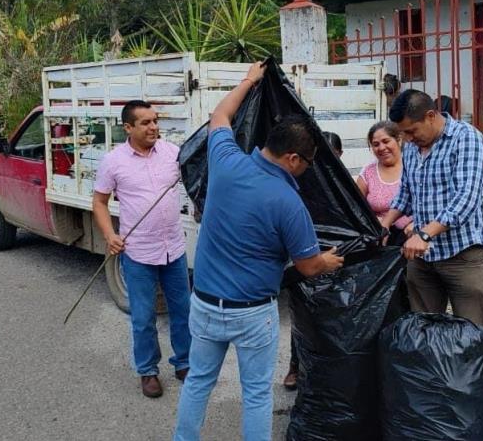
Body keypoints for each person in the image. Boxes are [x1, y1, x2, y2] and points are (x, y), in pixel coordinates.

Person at [174, 62, 344, 441]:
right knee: (254, 394)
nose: (307, 171)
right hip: (252, 314)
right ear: (293, 159)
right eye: (309, 163)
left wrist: (249, 80)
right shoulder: (289, 202)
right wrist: (328, 261)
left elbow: (220, 114)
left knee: (199, 382)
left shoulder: (226, 161)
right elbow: (307, 265)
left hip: (203, 303)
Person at [93, 100, 192, 398]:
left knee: (183, 311)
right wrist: (110, 235)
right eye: (146, 123)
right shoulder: (113, 161)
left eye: (155, 121)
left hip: (173, 249)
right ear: (128, 127)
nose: (154, 127)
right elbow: (98, 202)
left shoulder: (173, 153)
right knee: (143, 316)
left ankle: (185, 362)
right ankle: (148, 371)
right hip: (138, 253)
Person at [379, 89, 483, 333]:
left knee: (474, 334)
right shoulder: (411, 147)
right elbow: (406, 191)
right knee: (425, 333)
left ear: (431, 116)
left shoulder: (467, 138)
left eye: (411, 131)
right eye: (404, 134)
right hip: (422, 259)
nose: (408, 139)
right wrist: (386, 223)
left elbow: (466, 197)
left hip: (462, 255)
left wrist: (424, 234)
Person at [282, 129, 343, 391]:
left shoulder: (346, 187)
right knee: (302, 315)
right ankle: (295, 366)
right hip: (303, 261)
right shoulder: (297, 184)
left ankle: (327, 366)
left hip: (334, 258)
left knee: (333, 317)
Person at [356, 121, 413, 246]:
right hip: (379, 239)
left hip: (411, 238)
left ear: (398, 140)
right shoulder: (368, 172)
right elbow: (355, 206)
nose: (381, 148)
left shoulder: (413, 166)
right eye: (376, 144)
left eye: (386, 141)